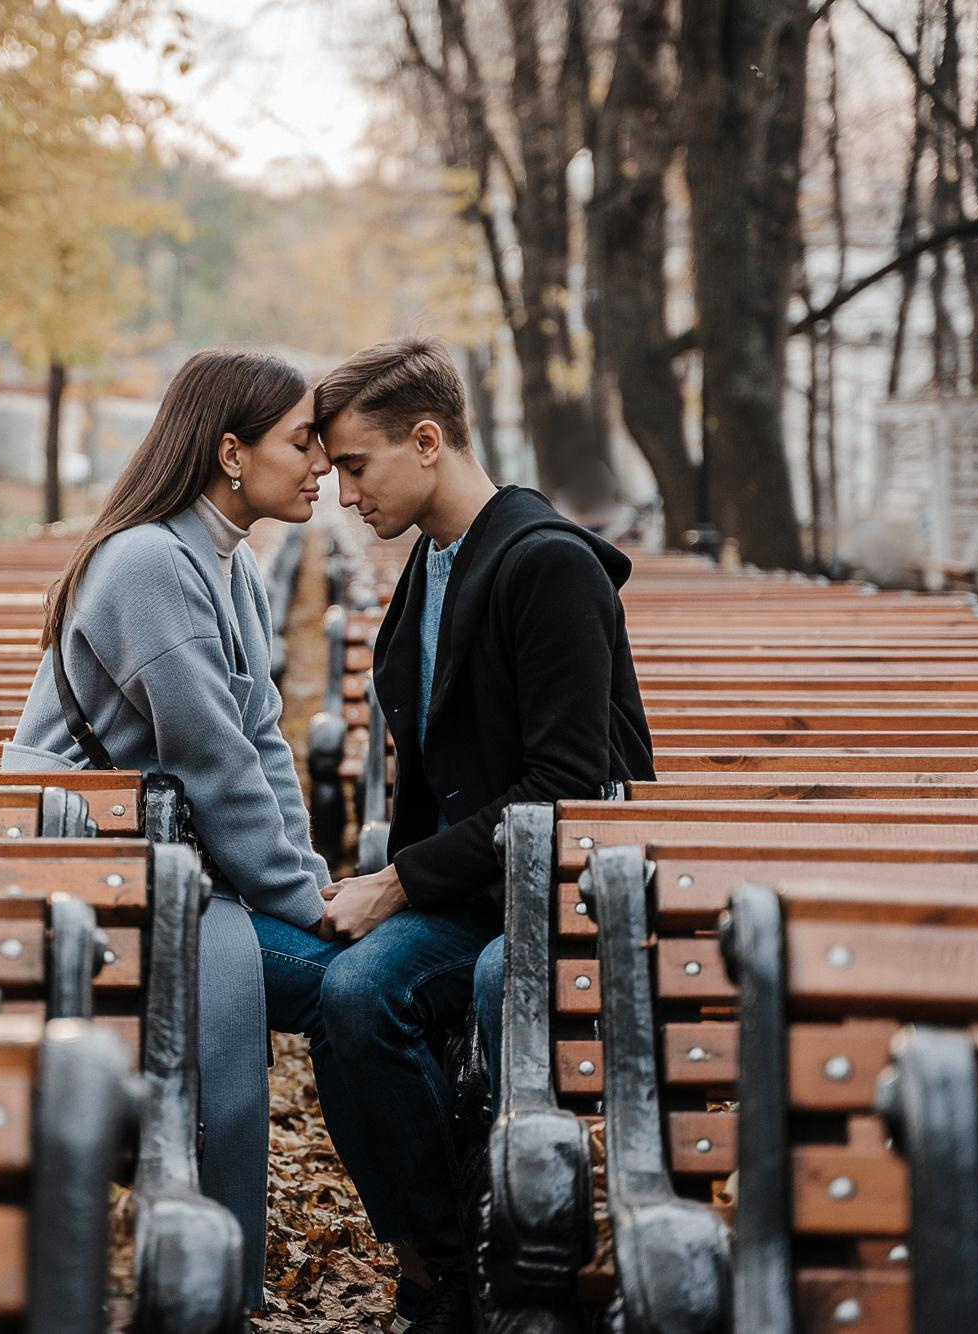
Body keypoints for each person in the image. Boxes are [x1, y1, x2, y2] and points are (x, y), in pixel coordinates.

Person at [307, 337, 657, 1331]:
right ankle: (440, 1261)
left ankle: (531, 1265)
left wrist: (395, 882)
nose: (343, 493)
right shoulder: (431, 565)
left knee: (508, 981)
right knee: (352, 992)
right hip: (478, 892)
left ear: (427, 441)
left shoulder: (543, 563)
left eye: (355, 465)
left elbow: (564, 785)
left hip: (565, 893)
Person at [0, 348, 336, 1309]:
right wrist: (308, 910)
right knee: (358, 989)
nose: (321, 462)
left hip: (154, 863)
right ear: (233, 453)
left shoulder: (224, 560)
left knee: (366, 976)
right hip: (76, 870)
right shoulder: (151, 559)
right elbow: (210, 762)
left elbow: (261, 741)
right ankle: (219, 1270)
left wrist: (306, 881)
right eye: (302, 441)